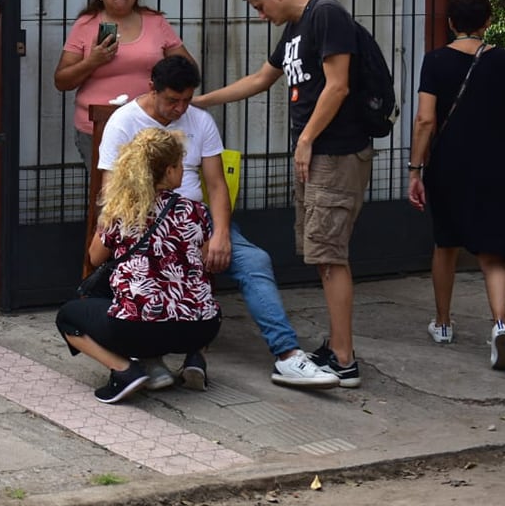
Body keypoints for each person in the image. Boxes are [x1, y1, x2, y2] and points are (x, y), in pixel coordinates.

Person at [98, 56, 340, 389]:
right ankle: (159, 354)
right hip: (146, 221)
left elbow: (216, 185)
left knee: (255, 260)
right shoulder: (124, 122)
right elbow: (112, 193)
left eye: (186, 100)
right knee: (162, 264)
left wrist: (222, 234)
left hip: (198, 219)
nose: (180, 109)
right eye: (172, 100)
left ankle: (288, 355)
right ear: (152, 87)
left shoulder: (200, 121)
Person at [193, 0, 373, 388]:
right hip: (316, 154)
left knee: (329, 254)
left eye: (259, 6)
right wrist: (198, 102)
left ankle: (344, 361)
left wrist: (307, 139)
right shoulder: (294, 29)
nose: (260, 16)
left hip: (335, 151)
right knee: (321, 253)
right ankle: (337, 348)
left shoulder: (325, 15)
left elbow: (338, 85)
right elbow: (260, 78)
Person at [55, 128, 221, 404]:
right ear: (168, 171)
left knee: (68, 316)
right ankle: (195, 358)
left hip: (138, 330)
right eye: (180, 165)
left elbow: (95, 257)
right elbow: (204, 262)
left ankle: (125, 370)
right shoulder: (197, 210)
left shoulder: (123, 211)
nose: (184, 170)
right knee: (201, 296)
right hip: (201, 326)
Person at [407, 0, 505, 371]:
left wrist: (415, 168)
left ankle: (442, 324)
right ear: (488, 21)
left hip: (448, 166)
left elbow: (425, 119)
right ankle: (500, 325)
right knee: (492, 256)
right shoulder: (504, 61)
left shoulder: (435, 61)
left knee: (446, 245)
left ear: (451, 23)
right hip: (495, 165)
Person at [53, 0, 193, 274]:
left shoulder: (156, 23)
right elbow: (61, 80)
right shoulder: (87, 25)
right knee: (114, 202)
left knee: (154, 198)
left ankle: (153, 270)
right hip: (98, 131)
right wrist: (93, 61)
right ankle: (107, 275)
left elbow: (187, 69)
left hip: (152, 130)